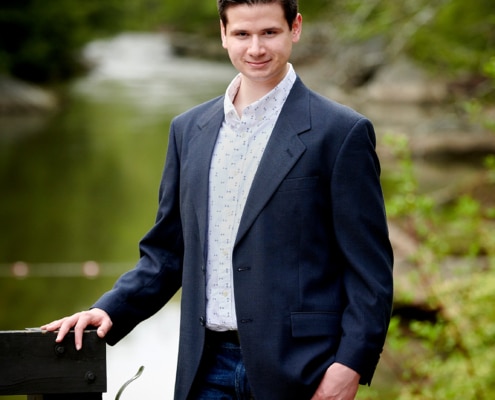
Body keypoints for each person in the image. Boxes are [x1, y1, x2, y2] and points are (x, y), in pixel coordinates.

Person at [42, 1, 394, 399]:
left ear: (295, 28)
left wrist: (350, 366)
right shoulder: (188, 129)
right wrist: (109, 310)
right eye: (242, 34)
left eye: (269, 33)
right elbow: (166, 254)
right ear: (223, 34)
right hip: (204, 368)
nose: (256, 48)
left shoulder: (341, 132)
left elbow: (370, 273)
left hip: (302, 370)